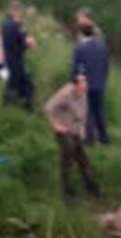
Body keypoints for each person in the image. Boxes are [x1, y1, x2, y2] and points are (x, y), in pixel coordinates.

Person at [44, 72, 99, 202]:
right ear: (74, 86)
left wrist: (82, 128)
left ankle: (90, 184)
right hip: (63, 128)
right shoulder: (65, 94)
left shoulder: (84, 93)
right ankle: (66, 188)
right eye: (81, 87)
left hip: (75, 127)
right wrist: (55, 124)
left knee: (82, 156)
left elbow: (84, 111)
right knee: (68, 151)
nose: (83, 89)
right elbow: (48, 108)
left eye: (85, 86)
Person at [70, 11, 110, 145]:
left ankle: (90, 139)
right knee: (100, 111)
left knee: (88, 113)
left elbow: (76, 69)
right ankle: (104, 138)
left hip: (86, 84)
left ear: (81, 34)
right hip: (100, 83)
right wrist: (103, 80)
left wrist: (74, 82)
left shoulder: (80, 48)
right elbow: (106, 66)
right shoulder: (103, 47)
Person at [0, 0, 36, 109]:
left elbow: (21, 38)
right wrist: (30, 42)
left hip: (11, 58)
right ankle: (18, 107)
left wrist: (27, 39)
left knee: (18, 83)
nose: (21, 13)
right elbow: (24, 40)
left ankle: (21, 106)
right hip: (15, 59)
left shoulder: (7, 23)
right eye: (20, 11)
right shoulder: (14, 24)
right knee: (19, 84)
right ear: (14, 10)